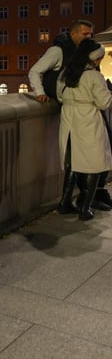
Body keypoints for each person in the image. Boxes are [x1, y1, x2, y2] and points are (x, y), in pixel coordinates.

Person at [27, 19, 112, 212]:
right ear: (73, 34)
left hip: (70, 111)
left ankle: (74, 200)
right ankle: (86, 201)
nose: (88, 37)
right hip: (81, 113)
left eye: (90, 34)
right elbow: (34, 71)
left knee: (74, 158)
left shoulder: (79, 57)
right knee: (91, 158)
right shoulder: (58, 51)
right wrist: (39, 91)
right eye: (85, 34)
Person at [56, 39, 112, 220]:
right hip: (87, 119)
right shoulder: (94, 76)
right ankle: (85, 207)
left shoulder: (65, 74)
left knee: (72, 161)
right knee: (95, 163)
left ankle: (64, 202)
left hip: (68, 118)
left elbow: (59, 95)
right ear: (95, 59)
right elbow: (104, 103)